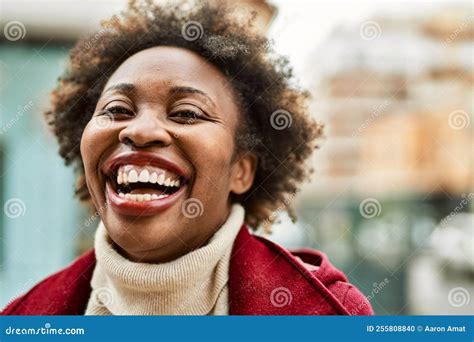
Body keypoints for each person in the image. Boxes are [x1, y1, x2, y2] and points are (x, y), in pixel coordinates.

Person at [2, 0, 372, 315]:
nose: (140, 131)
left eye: (187, 113)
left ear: (241, 171)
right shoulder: (24, 317)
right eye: (117, 109)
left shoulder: (330, 315)